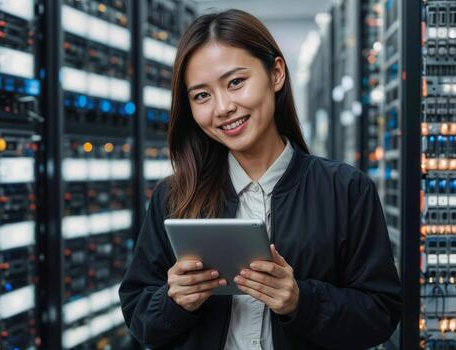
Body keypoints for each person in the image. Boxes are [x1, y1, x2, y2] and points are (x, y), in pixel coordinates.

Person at [119, 9, 402, 350]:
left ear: (277, 73)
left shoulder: (346, 189)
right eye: (201, 95)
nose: (222, 107)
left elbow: (380, 315)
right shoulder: (175, 196)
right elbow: (139, 317)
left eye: (235, 82)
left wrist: (301, 300)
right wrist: (174, 301)